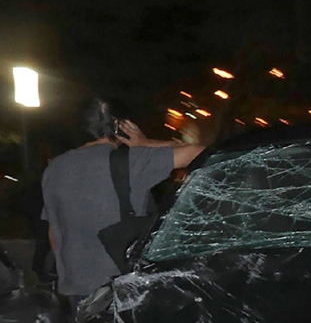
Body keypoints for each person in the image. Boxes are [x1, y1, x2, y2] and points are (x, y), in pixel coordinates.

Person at [41, 98, 205, 307]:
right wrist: (146, 143)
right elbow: (199, 152)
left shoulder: (54, 168)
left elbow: (54, 230)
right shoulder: (132, 160)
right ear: (118, 126)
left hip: (76, 286)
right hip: (123, 285)